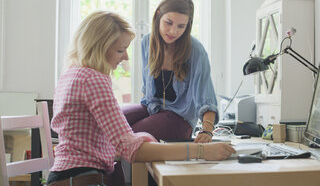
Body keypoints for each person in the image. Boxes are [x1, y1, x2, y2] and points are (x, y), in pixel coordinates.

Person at [47, 11, 234, 186]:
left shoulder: (71, 74)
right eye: (121, 50)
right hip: (83, 177)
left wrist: (138, 136)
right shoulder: (94, 80)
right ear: (100, 48)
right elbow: (131, 150)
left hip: (66, 174)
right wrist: (201, 151)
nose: (126, 57)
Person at [122, 0, 218, 143]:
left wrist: (207, 131)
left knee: (129, 136)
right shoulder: (147, 42)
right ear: (158, 15)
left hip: (179, 119)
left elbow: (207, 100)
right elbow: (146, 89)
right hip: (152, 109)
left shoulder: (196, 51)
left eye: (181, 26)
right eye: (169, 23)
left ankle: (117, 167)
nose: (173, 31)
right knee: (113, 121)